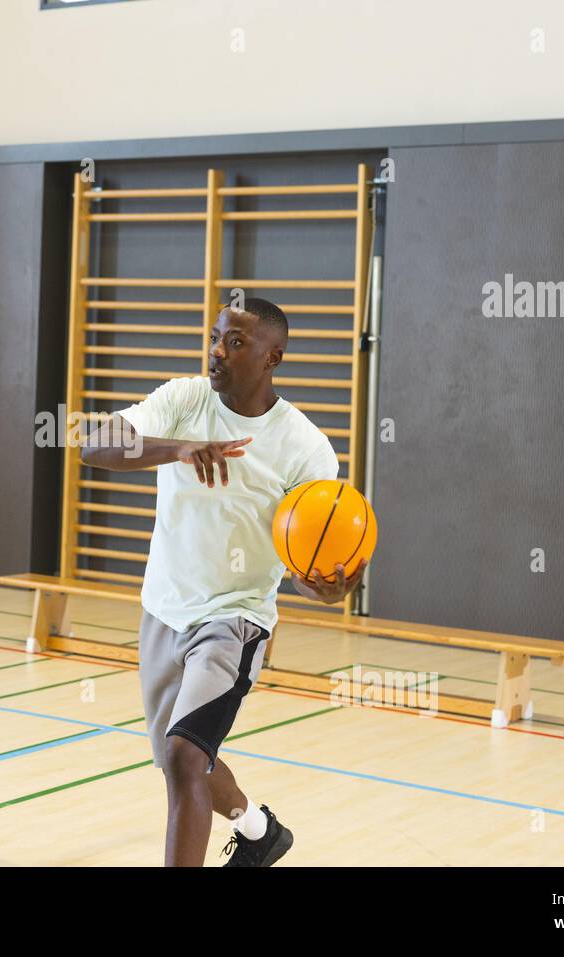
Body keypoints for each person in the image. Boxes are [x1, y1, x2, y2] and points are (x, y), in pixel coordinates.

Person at [81, 298, 366, 867]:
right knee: (178, 756)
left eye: (235, 342)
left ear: (272, 357)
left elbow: (308, 563)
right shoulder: (186, 399)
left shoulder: (305, 448)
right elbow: (94, 445)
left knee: (185, 757)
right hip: (164, 609)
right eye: (216, 337)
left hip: (234, 621)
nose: (217, 350)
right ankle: (261, 832)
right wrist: (178, 447)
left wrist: (329, 588)